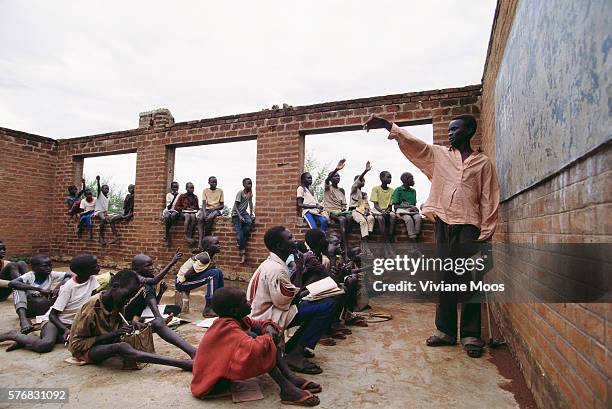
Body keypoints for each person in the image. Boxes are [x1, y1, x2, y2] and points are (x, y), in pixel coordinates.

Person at [364, 114, 500, 358]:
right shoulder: (439, 155)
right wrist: (388, 125)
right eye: (449, 129)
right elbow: (415, 145)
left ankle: (470, 334)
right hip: (444, 223)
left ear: (469, 131)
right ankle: (445, 331)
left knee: (471, 278)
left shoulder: (483, 163)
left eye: (455, 129)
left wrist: (487, 232)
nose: (450, 133)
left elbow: (489, 198)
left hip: (470, 226)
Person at [191, 287, 321, 406]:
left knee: (259, 335)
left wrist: (269, 328)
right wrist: (269, 337)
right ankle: (286, 388)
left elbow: (258, 324)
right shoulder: (227, 328)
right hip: (213, 384)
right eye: (245, 302)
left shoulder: (237, 319)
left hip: (222, 374)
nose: (249, 303)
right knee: (257, 341)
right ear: (234, 310)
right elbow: (254, 349)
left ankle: (290, 377)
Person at [247, 226, 335, 375]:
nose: (295, 241)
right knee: (327, 305)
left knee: (318, 303)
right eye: (290, 238)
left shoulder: (270, 263)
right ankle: (296, 355)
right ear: (280, 246)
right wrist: (300, 270)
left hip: (269, 310)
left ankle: (292, 347)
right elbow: (286, 302)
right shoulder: (276, 270)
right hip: (267, 318)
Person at [68, 269, 193, 370]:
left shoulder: (117, 301)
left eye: (131, 297)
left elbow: (120, 324)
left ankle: (193, 352)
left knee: (158, 323)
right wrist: (115, 333)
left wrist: (132, 324)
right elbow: (76, 345)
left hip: (108, 339)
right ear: (115, 287)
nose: (128, 300)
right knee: (121, 347)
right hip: (87, 351)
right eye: (127, 296)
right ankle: (181, 363)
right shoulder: (91, 308)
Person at [0, 254, 99, 353]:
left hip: (72, 322)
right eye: (94, 265)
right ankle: (13, 335)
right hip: (54, 321)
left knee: (82, 339)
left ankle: (25, 340)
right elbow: (53, 315)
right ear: (83, 270)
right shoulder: (69, 287)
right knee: (45, 345)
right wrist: (65, 330)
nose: (98, 267)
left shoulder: (93, 279)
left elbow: (93, 302)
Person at [126, 251, 196, 358]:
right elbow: (154, 281)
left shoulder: (147, 276)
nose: (152, 268)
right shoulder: (134, 276)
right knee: (148, 288)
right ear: (137, 269)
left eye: (152, 265)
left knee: (176, 309)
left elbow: (153, 302)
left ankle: (143, 321)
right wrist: (172, 262)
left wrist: (161, 292)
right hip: (129, 311)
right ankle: (157, 319)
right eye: (148, 266)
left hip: (143, 310)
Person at [9, 254, 71, 334]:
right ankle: (23, 320)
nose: (48, 268)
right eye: (44, 266)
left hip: (45, 307)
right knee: (17, 288)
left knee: (67, 281)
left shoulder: (51, 274)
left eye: (50, 266)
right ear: (34, 268)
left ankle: (55, 312)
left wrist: (58, 289)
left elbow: (70, 276)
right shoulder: (30, 276)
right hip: (30, 308)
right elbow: (12, 283)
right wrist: (39, 289)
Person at [175, 236, 225, 317]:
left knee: (218, 272)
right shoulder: (205, 258)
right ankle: (208, 309)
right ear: (208, 247)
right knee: (213, 274)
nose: (219, 245)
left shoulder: (207, 256)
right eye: (216, 244)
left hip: (186, 280)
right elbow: (187, 275)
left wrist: (208, 269)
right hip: (181, 283)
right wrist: (207, 270)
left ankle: (219, 302)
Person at [323, 159, 352, 250]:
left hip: (340, 211)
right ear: (331, 179)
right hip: (331, 211)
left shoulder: (341, 190)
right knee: (342, 219)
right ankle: (345, 246)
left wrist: (345, 211)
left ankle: (343, 240)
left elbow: (343, 206)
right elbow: (326, 180)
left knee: (350, 217)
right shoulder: (328, 187)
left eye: (338, 176)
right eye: (335, 176)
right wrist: (337, 169)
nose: (337, 177)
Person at [231, 178, 255, 264]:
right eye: (248, 184)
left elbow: (250, 204)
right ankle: (243, 253)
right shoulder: (240, 193)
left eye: (251, 183)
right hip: (236, 214)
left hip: (244, 213)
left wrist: (252, 214)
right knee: (240, 235)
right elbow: (235, 206)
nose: (250, 185)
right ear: (244, 185)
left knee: (249, 222)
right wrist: (239, 216)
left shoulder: (250, 193)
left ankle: (239, 239)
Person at [393, 172, 421, 239]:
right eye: (412, 179)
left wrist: (414, 208)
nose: (413, 180)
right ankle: (412, 237)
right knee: (408, 219)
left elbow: (413, 204)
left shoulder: (413, 191)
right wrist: (409, 206)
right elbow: (395, 206)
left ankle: (416, 234)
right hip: (401, 211)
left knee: (418, 217)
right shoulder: (398, 190)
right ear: (406, 180)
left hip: (410, 211)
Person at [197, 176, 224, 245]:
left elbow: (222, 205)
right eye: (212, 182)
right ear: (209, 182)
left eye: (215, 182)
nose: (214, 183)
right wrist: (203, 213)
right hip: (206, 209)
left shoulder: (220, 191)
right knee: (200, 218)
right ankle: (200, 242)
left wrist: (214, 208)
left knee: (209, 218)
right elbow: (203, 204)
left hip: (215, 210)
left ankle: (206, 238)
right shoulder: (205, 190)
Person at [371, 171, 396, 243]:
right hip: (377, 210)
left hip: (387, 210)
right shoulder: (375, 189)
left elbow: (390, 206)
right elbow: (375, 204)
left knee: (393, 216)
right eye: (388, 177)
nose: (390, 179)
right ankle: (385, 238)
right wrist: (382, 211)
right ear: (381, 178)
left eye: (390, 177)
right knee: (380, 218)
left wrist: (387, 211)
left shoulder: (392, 191)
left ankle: (390, 235)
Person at [93, 175, 112, 245]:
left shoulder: (107, 197)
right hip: (98, 212)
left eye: (108, 189)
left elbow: (105, 207)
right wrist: (98, 181)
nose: (107, 190)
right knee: (103, 219)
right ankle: (100, 236)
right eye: (105, 188)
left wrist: (107, 212)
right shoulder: (99, 194)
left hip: (104, 212)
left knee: (113, 217)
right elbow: (98, 188)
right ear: (102, 189)